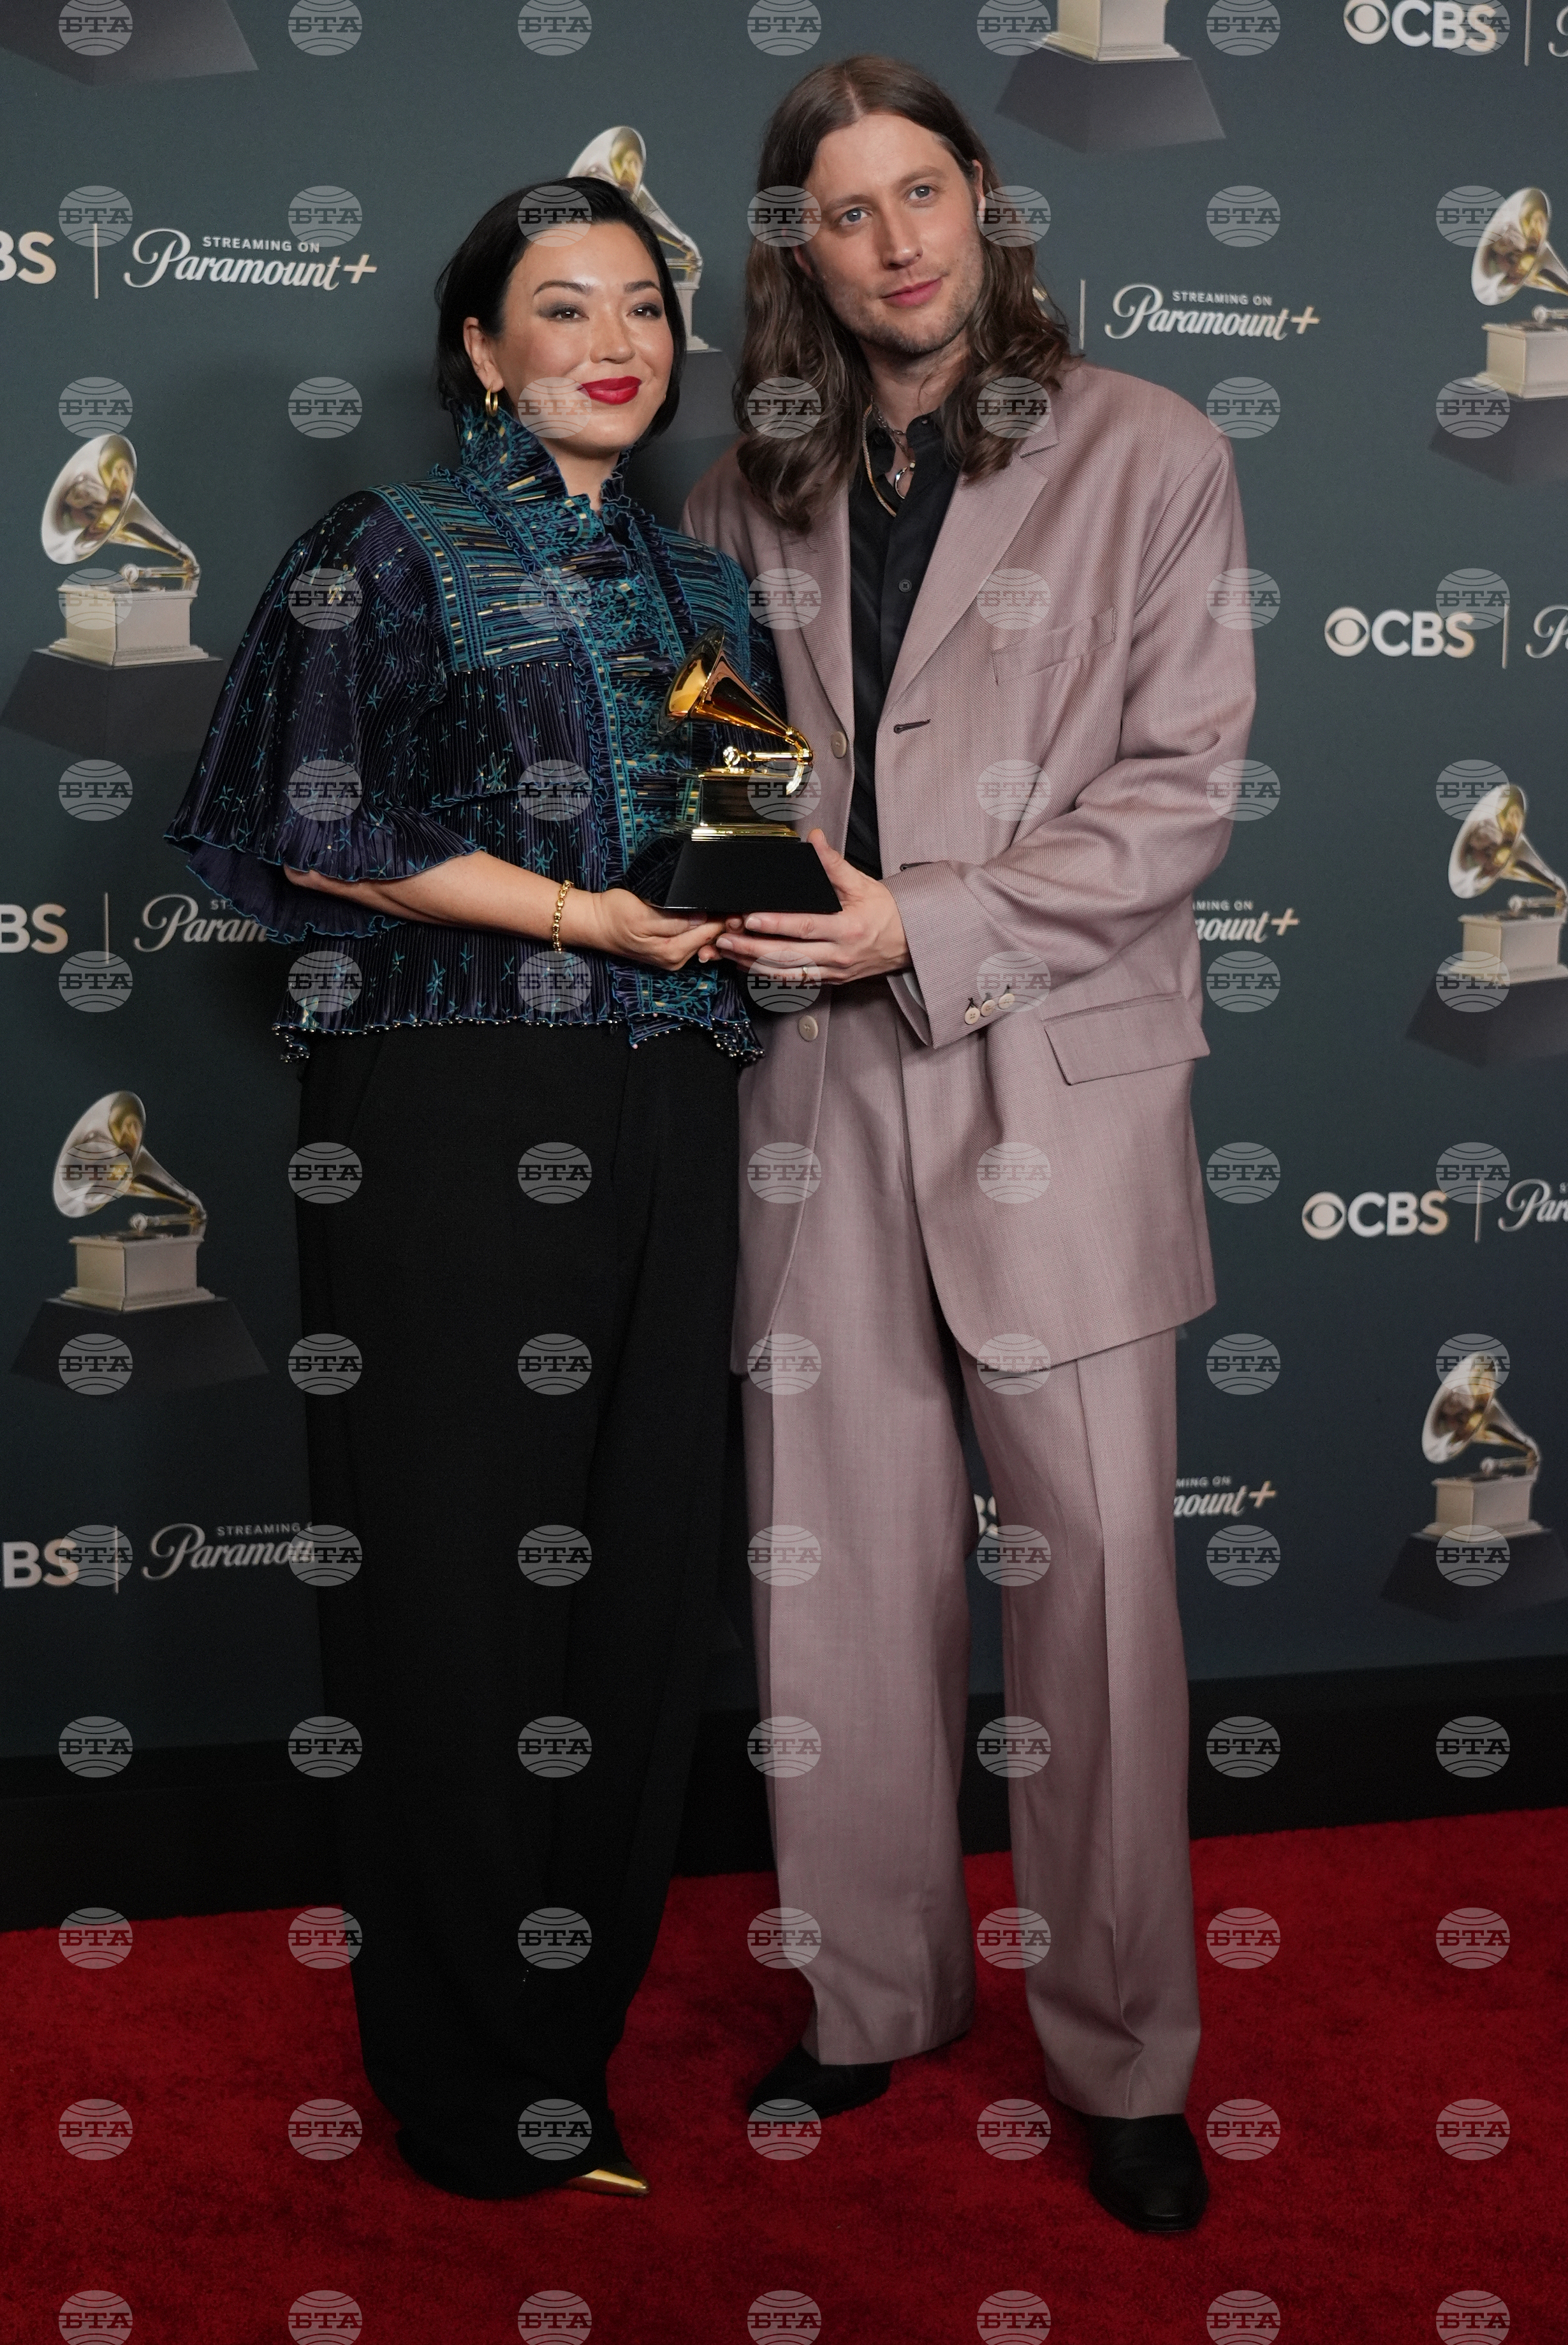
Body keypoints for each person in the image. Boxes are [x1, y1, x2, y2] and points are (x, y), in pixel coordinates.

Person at [687, 57, 1256, 2234]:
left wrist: (916, 919)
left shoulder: (1152, 449)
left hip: (1050, 1091)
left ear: (986, 203)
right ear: (798, 252)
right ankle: (869, 1999)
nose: (893, 240)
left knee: (1097, 1602)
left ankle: (1123, 2052)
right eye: (842, 210)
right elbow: (728, 769)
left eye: (919, 190)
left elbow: (1178, 794)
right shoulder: (744, 484)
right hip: (810, 1103)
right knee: (829, 1591)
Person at [166, 177, 778, 2202]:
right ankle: (466, 2077)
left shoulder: (704, 591)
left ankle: (564, 2049)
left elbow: (737, 833)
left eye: (643, 307)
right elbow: (307, 817)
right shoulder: (389, 546)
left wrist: (744, 915)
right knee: (453, 1583)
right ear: (481, 350)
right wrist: (586, 917)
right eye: (562, 306)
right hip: (449, 1092)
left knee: (637, 1581)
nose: (614, 342)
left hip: (674, 1095)